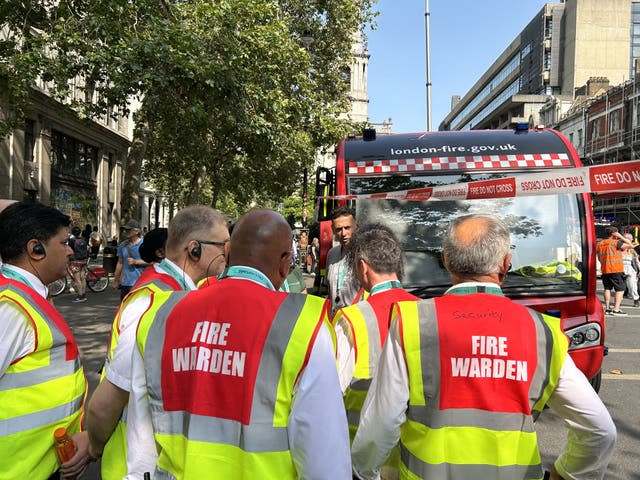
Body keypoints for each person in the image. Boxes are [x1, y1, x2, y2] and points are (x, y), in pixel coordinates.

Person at [352, 214, 616, 480]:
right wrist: (566, 473)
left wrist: (365, 472)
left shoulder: (412, 322)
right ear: (505, 264)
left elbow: (380, 425)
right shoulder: (544, 333)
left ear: (445, 261)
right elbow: (599, 431)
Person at [131, 209, 350, 478]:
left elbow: (140, 436)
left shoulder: (160, 316)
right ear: (285, 262)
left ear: (227, 249)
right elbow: (324, 458)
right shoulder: (303, 324)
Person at [86, 207, 228, 479]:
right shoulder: (151, 301)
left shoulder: (180, 293)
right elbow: (108, 400)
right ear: (194, 249)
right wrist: (93, 446)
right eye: (223, 245)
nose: (226, 253)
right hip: (135, 465)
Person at [0, 202, 92, 479]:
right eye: (63, 242)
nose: (70, 250)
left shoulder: (24, 298)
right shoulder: (11, 308)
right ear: (35, 249)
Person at [333, 224, 418, 445]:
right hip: (413, 457)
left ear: (362, 267)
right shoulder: (428, 312)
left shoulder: (350, 320)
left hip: (361, 456)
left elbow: (330, 394)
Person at [327, 206, 363, 316]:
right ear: (332, 229)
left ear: (356, 226)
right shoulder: (331, 254)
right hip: (335, 321)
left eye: (347, 227)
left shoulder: (365, 254)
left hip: (358, 322)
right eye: (339, 229)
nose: (343, 233)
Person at [597, 226, 634, 315]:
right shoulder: (616, 243)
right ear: (615, 234)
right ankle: (616, 309)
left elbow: (598, 257)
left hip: (605, 269)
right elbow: (631, 245)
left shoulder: (600, 243)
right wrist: (621, 237)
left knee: (607, 288)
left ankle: (608, 308)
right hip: (616, 269)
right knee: (620, 289)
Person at [112, 219, 147, 300]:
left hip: (141, 283)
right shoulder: (122, 245)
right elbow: (120, 263)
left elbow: (153, 262)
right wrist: (116, 280)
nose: (125, 231)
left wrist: (136, 262)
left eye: (128, 230)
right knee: (125, 310)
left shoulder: (145, 244)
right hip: (125, 284)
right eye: (125, 229)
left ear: (137, 232)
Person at [68, 225, 89, 303]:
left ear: (72, 232)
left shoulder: (72, 240)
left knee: (77, 279)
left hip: (75, 262)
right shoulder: (83, 239)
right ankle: (83, 294)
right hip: (83, 261)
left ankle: (80, 296)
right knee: (83, 278)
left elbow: (69, 250)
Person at [622, 232, 640, 307]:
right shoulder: (620, 248)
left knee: (632, 285)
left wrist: (639, 270)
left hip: (630, 269)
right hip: (620, 268)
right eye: (627, 239)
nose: (630, 240)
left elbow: (637, 261)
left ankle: (636, 299)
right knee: (620, 288)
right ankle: (618, 302)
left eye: (630, 239)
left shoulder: (632, 250)